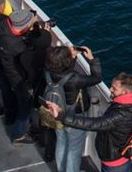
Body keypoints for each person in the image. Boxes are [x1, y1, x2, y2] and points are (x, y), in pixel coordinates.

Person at [44, 73, 132, 172]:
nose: (110, 89)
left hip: (114, 162)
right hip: (122, 157)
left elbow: (94, 124)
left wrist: (61, 116)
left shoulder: (121, 114)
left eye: (114, 88)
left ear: (125, 92)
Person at [42, 44, 103, 172]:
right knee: (73, 149)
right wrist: (92, 60)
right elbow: (97, 78)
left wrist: (72, 58)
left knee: (61, 142)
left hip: (56, 112)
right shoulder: (76, 79)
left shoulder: (47, 72)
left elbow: (64, 72)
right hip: (74, 116)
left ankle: (61, 169)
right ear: (66, 62)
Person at [0, 8, 53, 145]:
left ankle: (10, 118)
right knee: (25, 107)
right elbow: (30, 56)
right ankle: (19, 135)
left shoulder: (5, 28)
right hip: (19, 80)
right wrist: (43, 35)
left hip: (10, 73)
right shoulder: (15, 45)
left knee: (12, 98)